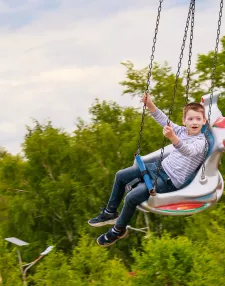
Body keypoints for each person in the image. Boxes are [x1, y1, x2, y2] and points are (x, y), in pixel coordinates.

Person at [88, 93, 208, 246]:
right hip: (159, 168)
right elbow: (164, 120)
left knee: (131, 197)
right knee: (120, 175)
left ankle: (118, 230)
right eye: (190, 119)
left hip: (168, 181)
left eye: (198, 119)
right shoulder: (182, 131)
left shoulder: (201, 142)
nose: (194, 122)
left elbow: (188, 151)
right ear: (184, 121)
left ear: (204, 121)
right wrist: (150, 105)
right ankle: (110, 212)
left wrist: (173, 139)